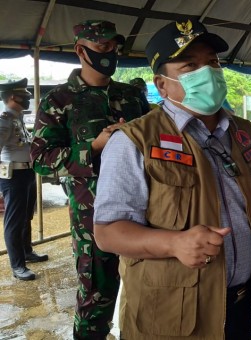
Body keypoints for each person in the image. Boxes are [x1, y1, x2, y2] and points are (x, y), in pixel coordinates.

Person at [92, 20, 251, 338]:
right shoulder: (134, 141)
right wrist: (174, 243)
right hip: (174, 313)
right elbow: (108, 233)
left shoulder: (241, 130)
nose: (208, 72)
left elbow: (244, 196)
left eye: (212, 62)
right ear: (162, 85)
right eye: (190, 66)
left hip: (241, 302)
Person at [30, 20, 149, 339]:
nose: (110, 53)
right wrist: (93, 147)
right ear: (80, 50)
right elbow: (41, 160)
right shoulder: (60, 100)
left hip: (144, 210)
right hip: (92, 217)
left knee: (149, 291)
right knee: (97, 298)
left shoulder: (132, 95)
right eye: (101, 47)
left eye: (113, 47)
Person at [0, 78, 48, 281]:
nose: (28, 98)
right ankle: (18, 265)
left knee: (26, 216)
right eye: (24, 96)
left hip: (27, 173)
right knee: (14, 220)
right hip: (13, 176)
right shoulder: (3, 119)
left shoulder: (17, 117)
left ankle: (27, 252)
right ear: (12, 97)